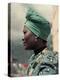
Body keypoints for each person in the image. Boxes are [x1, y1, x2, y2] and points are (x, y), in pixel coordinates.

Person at [22, 8, 58, 76]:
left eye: (25, 33)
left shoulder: (49, 61)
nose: (23, 38)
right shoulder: (34, 57)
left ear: (36, 35)